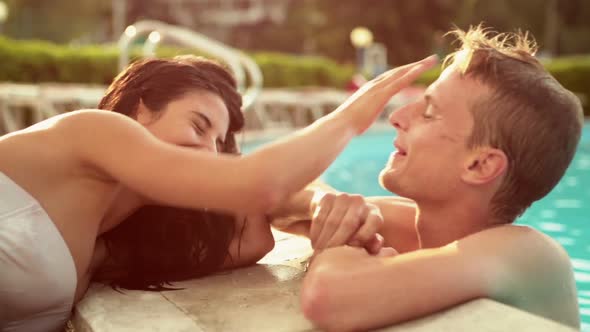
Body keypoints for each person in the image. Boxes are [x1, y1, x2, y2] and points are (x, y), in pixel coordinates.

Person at [0, 53, 437, 331]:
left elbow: (253, 235)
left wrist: (314, 201)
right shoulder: (91, 133)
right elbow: (259, 185)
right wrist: (350, 118)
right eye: (197, 125)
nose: (208, 151)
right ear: (140, 108)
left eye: (218, 143)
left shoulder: (105, 244)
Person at [297, 25, 584, 331]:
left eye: (429, 111)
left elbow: (328, 299)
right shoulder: (406, 223)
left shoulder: (529, 256)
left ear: (480, 164)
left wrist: (341, 243)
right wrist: (326, 206)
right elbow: (285, 200)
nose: (398, 116)